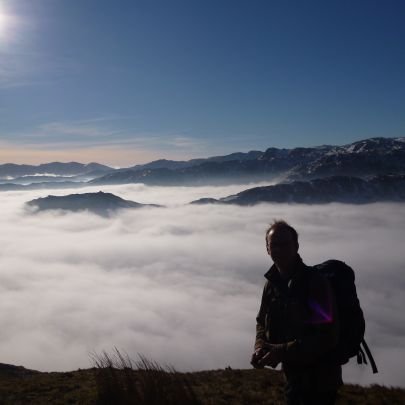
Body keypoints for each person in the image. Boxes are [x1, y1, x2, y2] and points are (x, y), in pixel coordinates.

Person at [251, 220, 343, 405]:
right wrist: (260, 346)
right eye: (273, 245)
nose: (279, 249)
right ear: (267, 249)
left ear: (296, 246)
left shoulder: (315, 283)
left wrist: (280, 351)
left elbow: (326, 336)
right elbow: (262, 320)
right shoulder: (272, 284)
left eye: (285, 244)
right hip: (293, 377)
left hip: (320, 382)